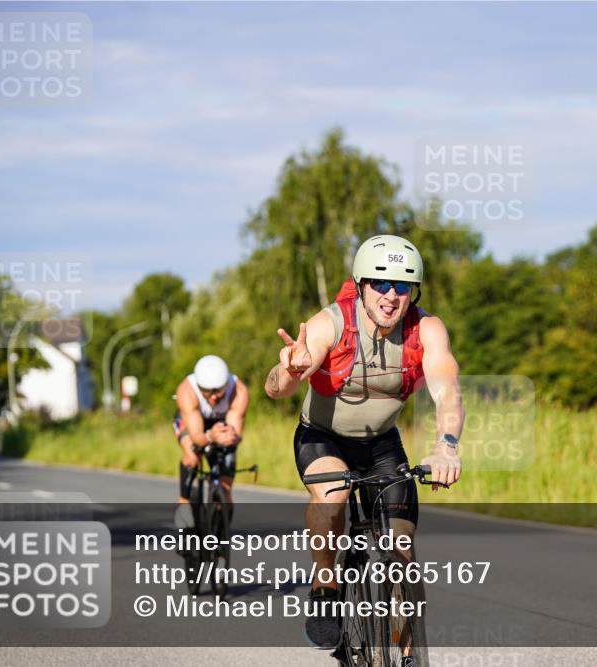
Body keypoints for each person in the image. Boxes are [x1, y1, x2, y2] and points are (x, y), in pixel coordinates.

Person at [265, 234, 464, 654]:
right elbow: (276, 390)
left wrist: (446, 445)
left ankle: (408, 657)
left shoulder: (426, 330)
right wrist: (288, 372)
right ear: (360, 285)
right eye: (380, 283)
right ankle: (325, 583)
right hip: (322, 438)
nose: (391, 296)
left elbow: (448, 393)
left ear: (414, 292)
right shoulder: (330, 324)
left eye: (403, 286)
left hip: (381, 444)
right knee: (332, 497)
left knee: (403, 555)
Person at [173, 355, 249, 529]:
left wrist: (232, 437)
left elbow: (235, 431)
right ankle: (183, 503)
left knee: (225, 486)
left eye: (219, 391)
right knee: (192, 456)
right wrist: (209, 438)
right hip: (193, 424)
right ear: (199, 387)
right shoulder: (187, 391)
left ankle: (221, 539)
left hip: (221, 424)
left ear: (226, 385)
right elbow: (197, 436)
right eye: (207, 392)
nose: (214, 397)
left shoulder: (239, 391)